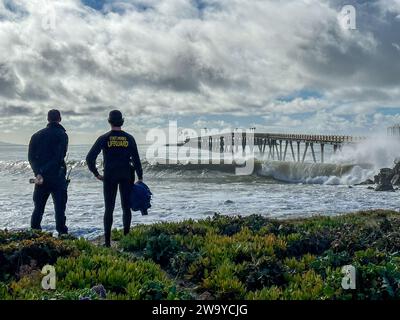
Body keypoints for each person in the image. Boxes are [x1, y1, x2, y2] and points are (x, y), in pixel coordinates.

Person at [86, 110, 143, 247]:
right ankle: (126, 239)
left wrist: (96, 173)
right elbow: (136, 159)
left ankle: (107, 243)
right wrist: (140, 177)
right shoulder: (129, 138)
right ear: (122, 121)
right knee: (126, 208)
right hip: (126, 175)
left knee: (109, 208)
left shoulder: (104, 138)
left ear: (109, 121)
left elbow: (89, 158)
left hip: (110, 176)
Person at [28, 109, 69, 235]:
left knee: (38, 208)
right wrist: (43, 171)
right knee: (60, 209)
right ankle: (62, 234)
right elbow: (59, 157)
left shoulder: (36, 135)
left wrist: (38, 173)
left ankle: (34, 235)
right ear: (59, 119)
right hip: (57, 177)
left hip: (40, 178)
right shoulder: (62, 135)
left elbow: (30, 158)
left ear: (47, 119)